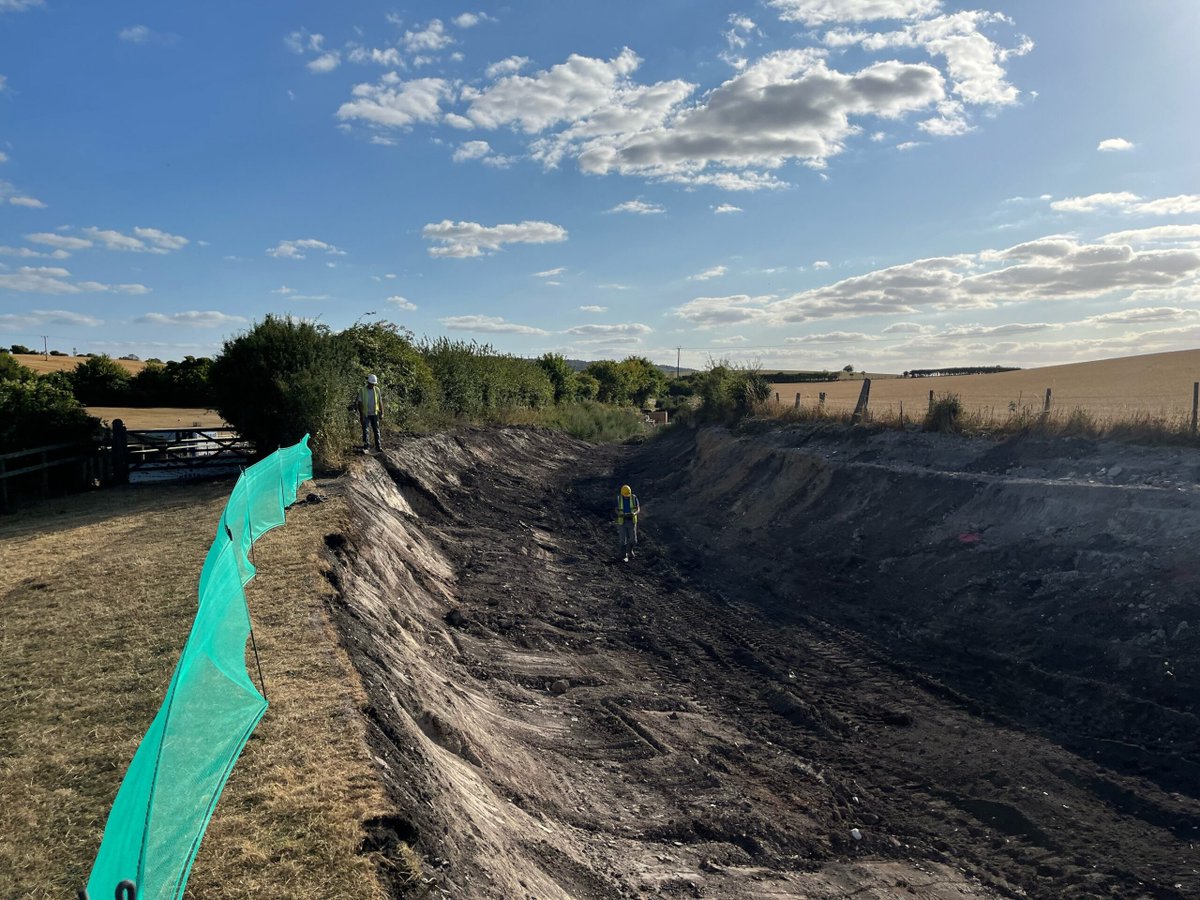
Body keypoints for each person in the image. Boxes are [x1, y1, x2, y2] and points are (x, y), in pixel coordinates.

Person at [357, 374, 383, 452]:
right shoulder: (362, 390)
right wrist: (361, 415)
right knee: (365, 430)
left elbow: (380, 402)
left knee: (376, 430)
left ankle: (378, 446)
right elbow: (360, 403)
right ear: (368, 382)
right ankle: (366, 446)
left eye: (373, 384)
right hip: (366, 414)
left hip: (375, 413)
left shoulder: (377, 390)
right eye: (371, 383)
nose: (372, 385)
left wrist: (382, 412)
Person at [615, 483, 640, 561]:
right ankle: (623, 555)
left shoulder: (633, 497)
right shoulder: (619, 499)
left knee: (633, 540)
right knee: (622, 541)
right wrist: (619, 514)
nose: (627, 496)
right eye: (625, 495)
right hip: (622, 521)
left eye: (628, 495)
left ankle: (629, 551)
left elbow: (638, 508)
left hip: (631, 521)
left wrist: (634, 513)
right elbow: (616, 509)